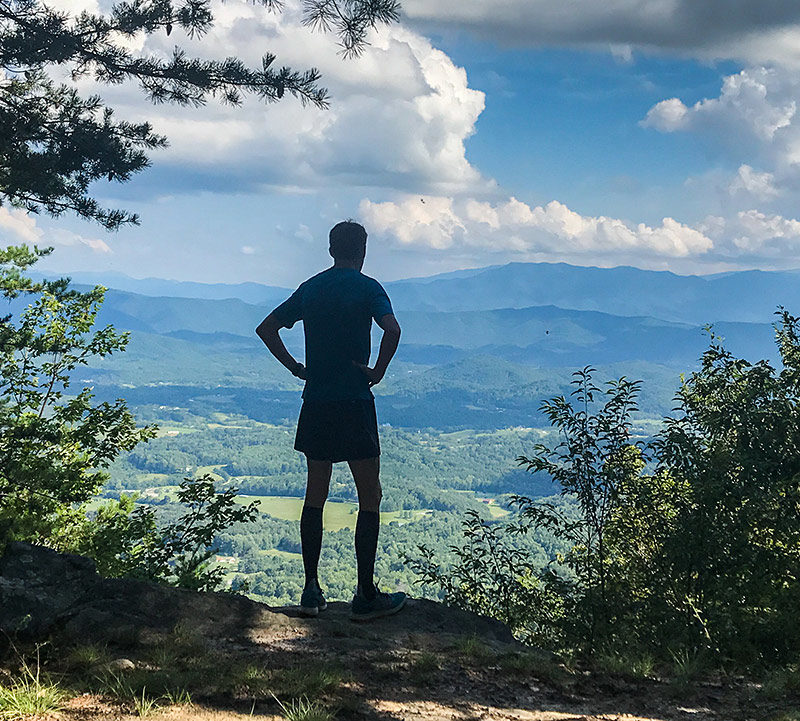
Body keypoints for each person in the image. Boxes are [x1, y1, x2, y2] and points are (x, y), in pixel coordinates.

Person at [256, 220, 406, 621]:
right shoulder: (370, 288)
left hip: (317, 401)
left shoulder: (311, 288)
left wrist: (296, 368)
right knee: (369, 495)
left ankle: (310, 590)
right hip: (355, 401)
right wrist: (378, 370)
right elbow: (392, 330)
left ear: (329, 249)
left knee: (315, 494)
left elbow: (266, 327)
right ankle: (365, 595)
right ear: (363, 250)